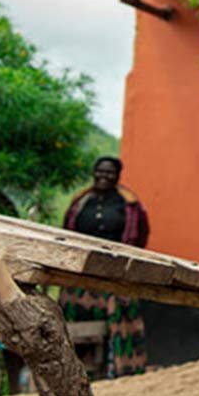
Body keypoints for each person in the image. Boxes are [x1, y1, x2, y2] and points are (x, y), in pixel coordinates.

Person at [59, 157, 150, 378]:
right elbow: (67, 231)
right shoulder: (81, 202)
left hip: (115, 274)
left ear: (118, 176)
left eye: (109, 172)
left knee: (119, 312)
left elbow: (140, 236)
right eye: (100, 171)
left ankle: (121, 371)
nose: (104, 176)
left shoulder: (129, 205)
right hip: (81, 274)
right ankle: (73, 369)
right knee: (71, 313)